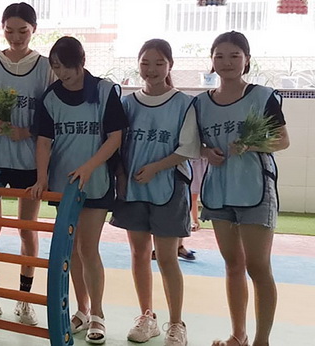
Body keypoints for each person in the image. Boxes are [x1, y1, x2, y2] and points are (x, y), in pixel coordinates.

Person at [30, 36, 128, 344]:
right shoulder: (50, 97)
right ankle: (82, 310)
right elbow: (44, 141)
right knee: (71, 251)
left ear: (81, 62)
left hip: (96, 183)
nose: (61, 73)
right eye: (56, 67)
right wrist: (42, 177)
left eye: (66, 67)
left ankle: (97, 314)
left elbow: (115, 138)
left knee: (88, 248)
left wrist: (89, 167)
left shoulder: (104, 91)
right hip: (65, 185)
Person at [194, 31, 289, 346]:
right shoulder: (200, 103)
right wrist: (207, 152)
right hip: (219, 191)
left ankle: (262, 340)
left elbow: (283, 140)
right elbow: (195, 144)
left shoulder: (263, 96)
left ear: (247, 60)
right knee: (233, 264)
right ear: (212, 61)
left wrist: (251, 145)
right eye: (219, 56)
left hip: (255, 189)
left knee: (258, 267)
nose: (227, 62)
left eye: (234, 55)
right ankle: (238, 336)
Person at [0, 2, 53, 326]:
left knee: (27, 229)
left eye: (23, 31)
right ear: (2, 28)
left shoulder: (45, 66)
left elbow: (53, 114)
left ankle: (25, 299)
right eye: (10, 31)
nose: (16, 37)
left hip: (30, 160)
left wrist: (27, 131)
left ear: (34, 30)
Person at [110, 39, 198, 346]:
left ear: (170, 65)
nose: (152, 69)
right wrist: (122, 177)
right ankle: (146, 316)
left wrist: (156, 168)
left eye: (159, 63)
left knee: (167, 256)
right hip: (133, 189)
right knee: (139, 254)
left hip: (169, 188)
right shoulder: (127, 103)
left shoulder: (184, 103)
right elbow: (116, 144)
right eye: (145, 63)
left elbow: (189, 147)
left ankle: (176, 323)